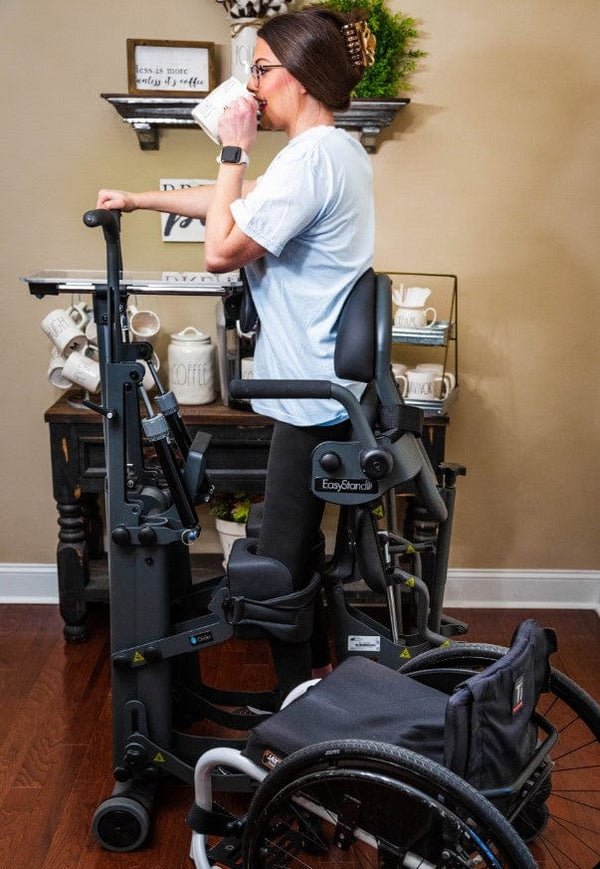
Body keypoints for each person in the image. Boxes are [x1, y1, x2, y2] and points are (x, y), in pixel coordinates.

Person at [97, 6, 376, 700]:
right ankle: (313, 685)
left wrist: (231, 148)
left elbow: (222, 248)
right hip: (321, 393)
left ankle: (292, 727)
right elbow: (241, 204)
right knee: (301, 555)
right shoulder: (333, 153)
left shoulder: (311, 158)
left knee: (275, 574)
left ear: (300, 76)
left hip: (308, 400)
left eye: (259, 69)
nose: (251, 85)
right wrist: (136, 198)